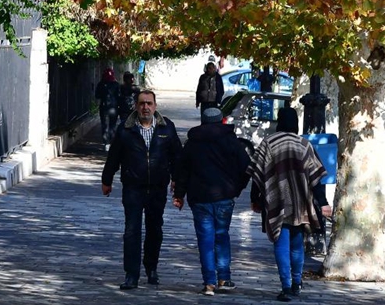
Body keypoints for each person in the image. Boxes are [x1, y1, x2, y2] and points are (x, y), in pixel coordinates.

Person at [246, 107, 332, 302]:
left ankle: (285, 286)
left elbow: (257, 175)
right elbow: (316, 178)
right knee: (296, 245)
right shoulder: (304, 145)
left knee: (280, 243)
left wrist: (255, 199)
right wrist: (324, 203)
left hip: (276, 202)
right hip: (300, 202)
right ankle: (296, 282)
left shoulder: (268, 144)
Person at [101, 90, 182, 290]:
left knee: (155, 229)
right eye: (142, 104)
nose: (145, 107)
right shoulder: (126, 129)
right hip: (133, 187)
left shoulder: (166, 128)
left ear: (155, 106)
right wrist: (107, 179)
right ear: (136, 106)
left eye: (149, 103)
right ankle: (131, 274)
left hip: (157, 188)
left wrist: (177, 181)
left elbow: (177, 157)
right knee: (131, 231)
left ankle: (151, 267)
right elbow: (114, 157)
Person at [172, 108, 252, 296]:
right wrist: (237, 188)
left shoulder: (193, 143)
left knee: (205, 240)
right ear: (221, 121)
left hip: (199, 198)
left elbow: (182, 171)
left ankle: (209, 283)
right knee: (222, 235)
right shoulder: (232, 142)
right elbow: (247, 167)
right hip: (224, 197)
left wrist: (179, 194)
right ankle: (224, 278)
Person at [95, 68, 120, 145]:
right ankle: (111, 140)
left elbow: (97, 96)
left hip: (104, 106)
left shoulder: (100, 84)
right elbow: (119, 96)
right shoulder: (116, 84)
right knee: (112, 125)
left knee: (104, 125)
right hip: (113, 107)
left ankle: (106, 143)